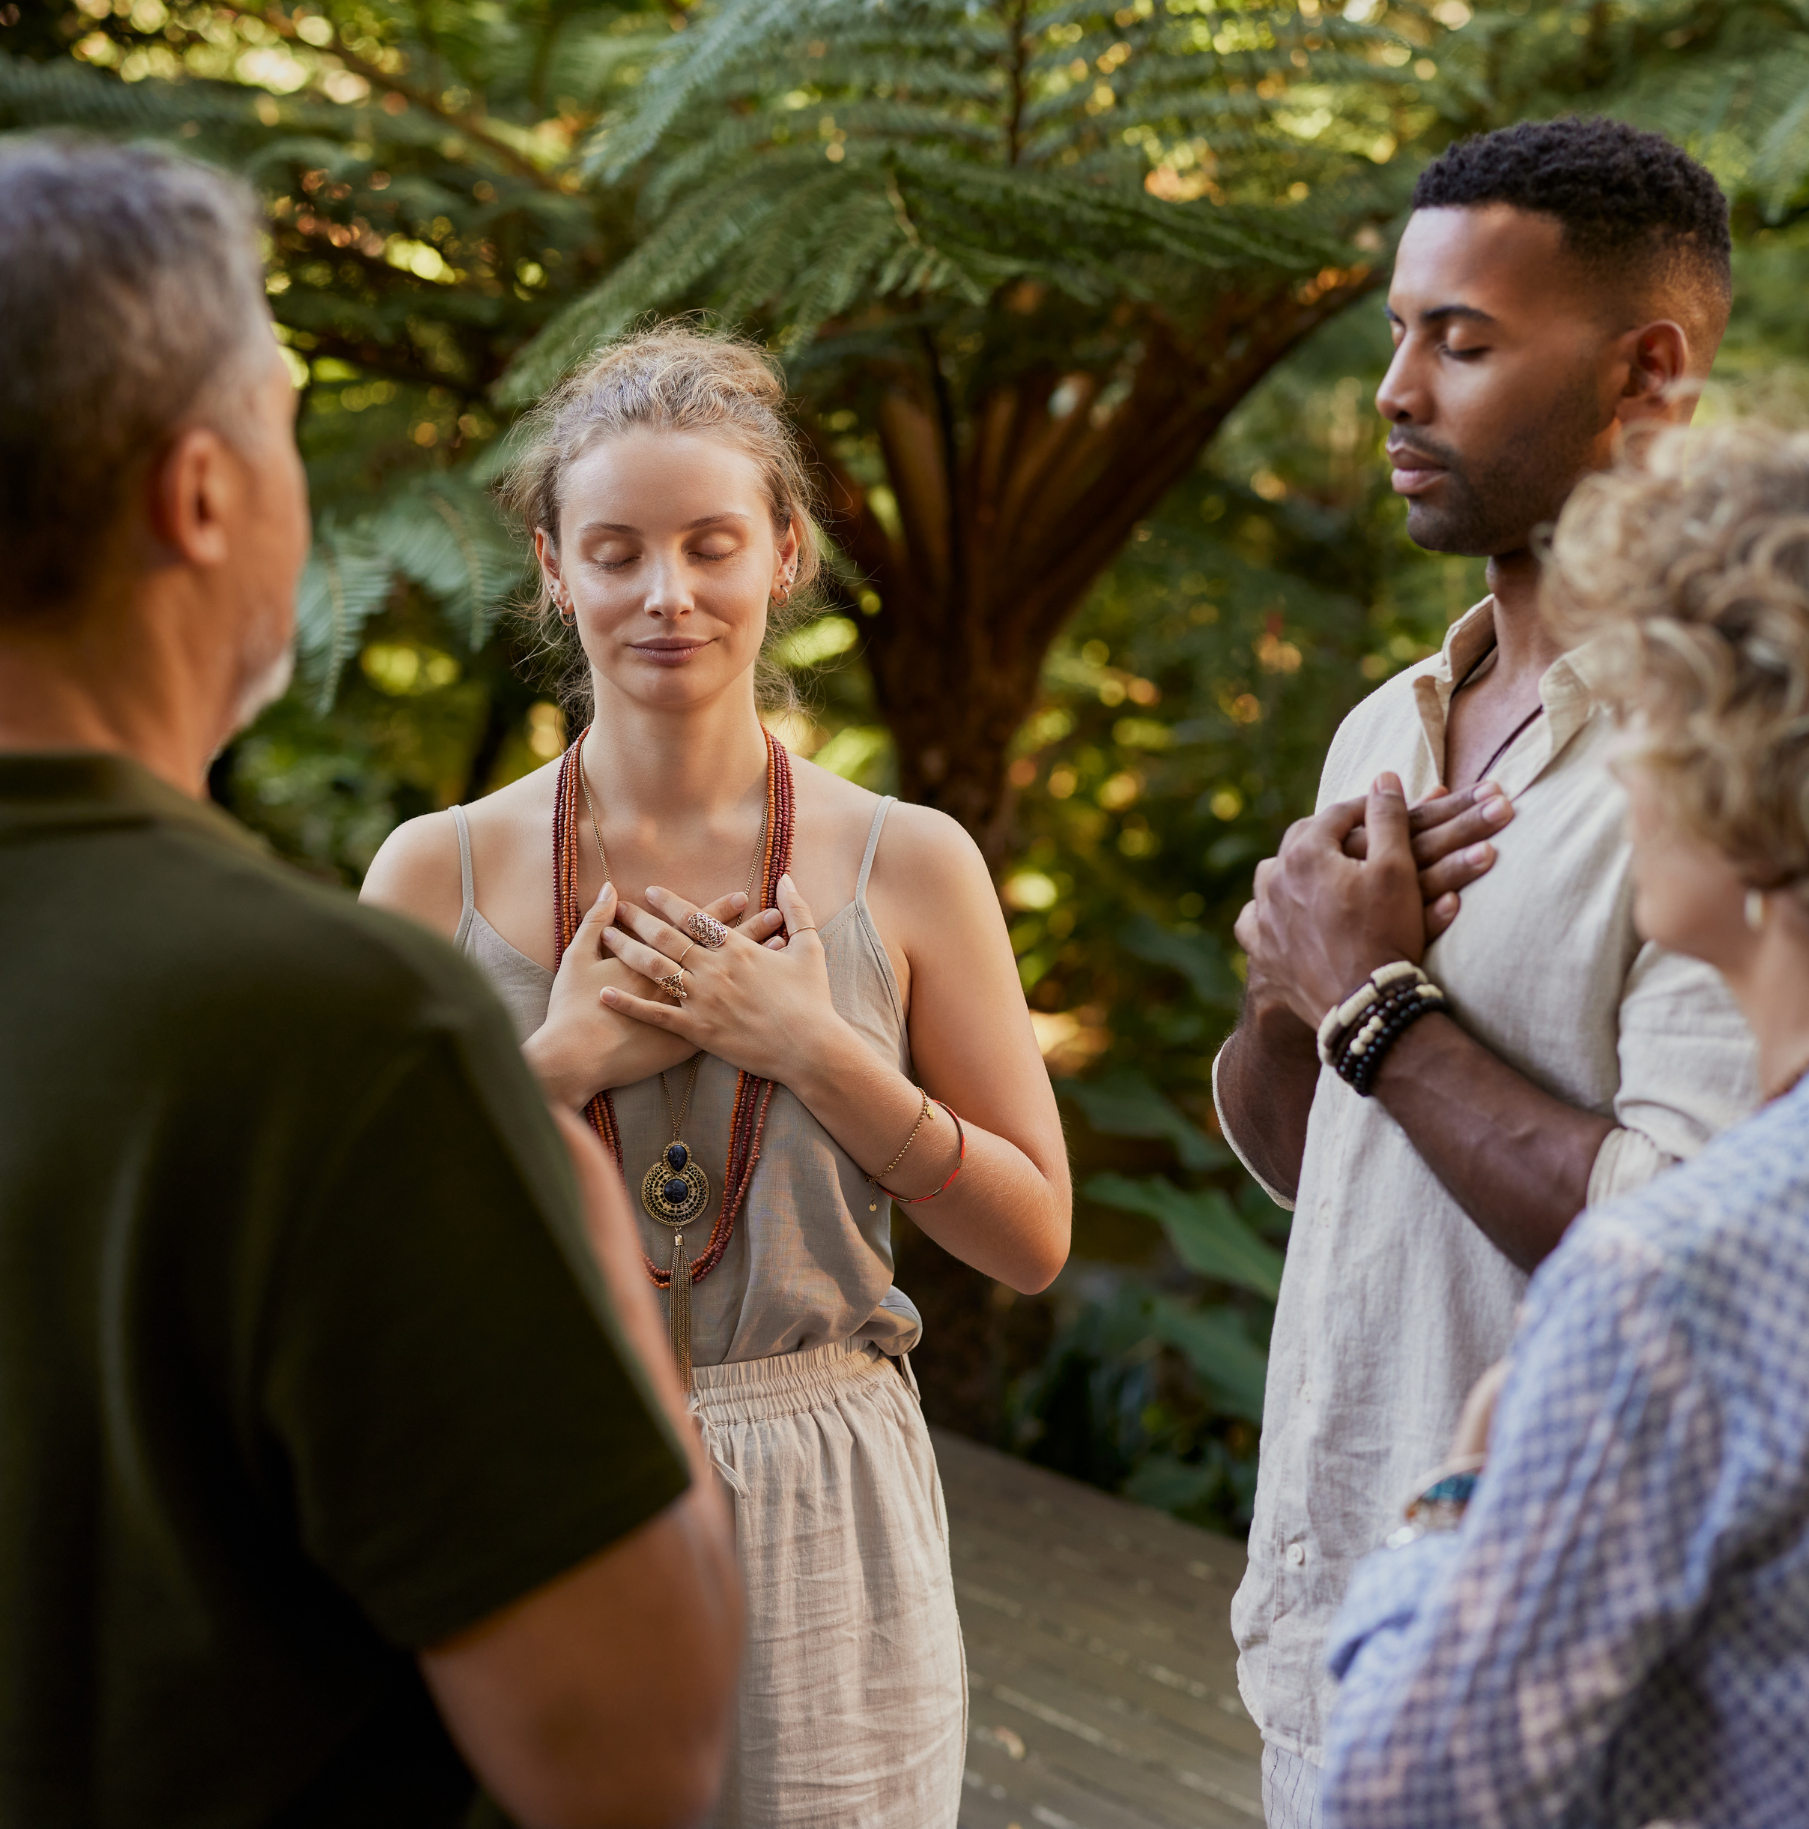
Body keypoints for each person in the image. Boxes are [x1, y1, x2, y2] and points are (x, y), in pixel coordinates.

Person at [0, 136, 742, 1826]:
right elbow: (631, 1755)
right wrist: (566, 1221)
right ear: (198, 493)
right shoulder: (341, 1033)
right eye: (280, 416)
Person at [361, 321, 1071, 1829]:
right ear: (554, 568)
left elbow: (1030, 1235)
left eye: (710, 544)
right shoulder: (441, 872)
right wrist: (557, 1063)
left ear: (785, 553)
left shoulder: (912, 866)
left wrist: (810, 1046)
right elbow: (341, 1240)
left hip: (827, 1487)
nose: (665, 595)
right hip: (533, 1477)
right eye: (615, 552)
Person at [1322, 408, 1809, 1828]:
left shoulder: (1673, 1277)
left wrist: (1466, 1484)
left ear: (1763, 799)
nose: (1631, 770)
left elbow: (1398, 1797)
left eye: (1659, 718)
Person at [1213, 116, 1760, 1821]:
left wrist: (1376, 1006)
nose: (1394, 389)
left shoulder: (1737, 750)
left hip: (1571, 1698)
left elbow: (1689, 1254)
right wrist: (1286, 986)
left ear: (1645, 374)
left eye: (1460, 341)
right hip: (1328, 1650)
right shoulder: (1392, 721)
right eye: (1397, 331)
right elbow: (1333, 1170)